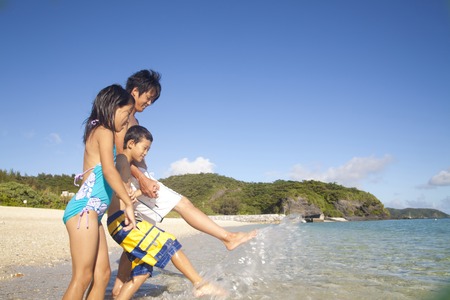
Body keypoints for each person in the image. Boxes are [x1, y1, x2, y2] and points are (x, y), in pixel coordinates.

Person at [112, 69, 257, 296]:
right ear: (135, 90)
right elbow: (122, 153)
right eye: (148, 97)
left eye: (153, 99)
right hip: (135, 179)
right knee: (184, 204)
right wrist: (141, 180)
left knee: (135, 243)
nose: (149, 102)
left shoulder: (132, 118)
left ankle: (118, 290)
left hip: (135, 180)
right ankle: (228, 238)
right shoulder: (124, 114)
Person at [107, 125, 227, 299]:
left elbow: (127, 193)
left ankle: (119, 296)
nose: (146, 153)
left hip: (120, 223)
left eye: (148, 149)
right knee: (169, 245)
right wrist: (126, 198)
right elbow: (117, 184)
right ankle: (200, 284)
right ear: (131, 143)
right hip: (122, 223)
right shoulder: (122, 160)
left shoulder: (125, 163)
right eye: (144, 148)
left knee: (143, 268)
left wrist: (140, 192)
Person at [62, 84, 137, 300]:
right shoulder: (103, 130)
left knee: (103, 275)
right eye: (127, 113)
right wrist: (127, 203)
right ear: (113, 107)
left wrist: (126, 190)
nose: (128, 119)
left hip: (93, 215)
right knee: (82, 277)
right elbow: (108, 170)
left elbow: (108, 174)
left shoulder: (103, 132)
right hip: (84, 211)